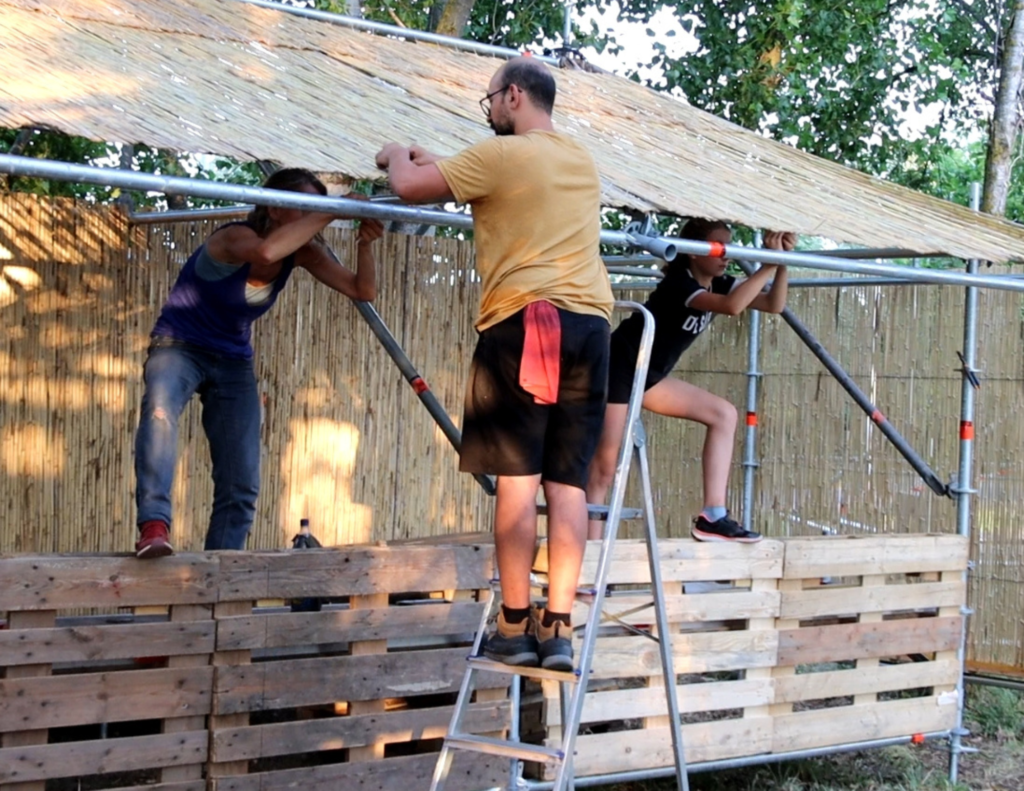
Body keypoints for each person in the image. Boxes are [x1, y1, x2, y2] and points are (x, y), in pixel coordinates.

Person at [375, 56, 614, 671]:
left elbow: (408, 188)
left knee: (517, 481)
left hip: (528, 326)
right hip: (590, 329)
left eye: (489, 102)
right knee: (568, 484)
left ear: (512, 96)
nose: (489, 115)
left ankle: (512, 625)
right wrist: (439, 161)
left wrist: (396, 153)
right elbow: (484, 178)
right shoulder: (580, 160)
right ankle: (557, 627)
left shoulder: (502, 155)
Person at [133, 168, 383, 559]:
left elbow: (361, 289)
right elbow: (267, 252)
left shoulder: (302, 253)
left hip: (232, 360)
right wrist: (333, 210)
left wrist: (365, 245)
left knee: (242, 477)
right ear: (274, 208)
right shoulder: (234, 237)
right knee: (160, 414)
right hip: (179, 346)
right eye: (304, 207)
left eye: (316, 209)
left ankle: (223, 564)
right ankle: (154, 525)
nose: (312, 218)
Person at [586, 220, 793, 543]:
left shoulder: (719, 283)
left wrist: (782, 263)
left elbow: (773, 304)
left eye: (728, 247)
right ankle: (591, 548)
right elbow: (732, 307)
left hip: (649, 376)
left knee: (723, 414)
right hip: (619, 369)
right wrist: (768, 263)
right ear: (695, 252)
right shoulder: (679, 284)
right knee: (604, 469)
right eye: (718, 248)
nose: (726, 256)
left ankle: (713, 515)